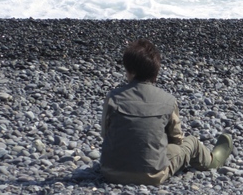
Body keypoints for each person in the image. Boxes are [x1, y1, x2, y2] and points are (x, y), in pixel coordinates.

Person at [100, 38, 233, 185]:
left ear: (129, 71)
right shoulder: (167, 100)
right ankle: (213, 161)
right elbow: (176, 140)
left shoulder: (113, 97)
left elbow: (105, 133)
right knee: (191, 143)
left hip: (110, 171)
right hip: (152, 174)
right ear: (156, 71)